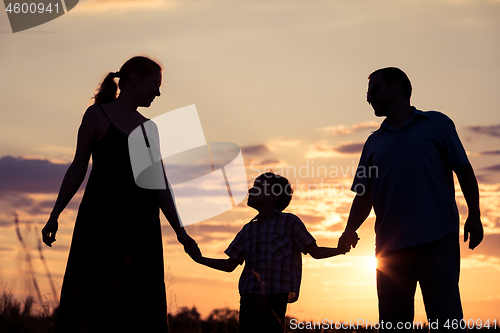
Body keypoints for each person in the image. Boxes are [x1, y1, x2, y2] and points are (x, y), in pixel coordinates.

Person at [41, 56, 200, 333]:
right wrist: (55, 214)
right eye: (155, 83)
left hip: (141, 230)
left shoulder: (149, 128)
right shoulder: (97, 115)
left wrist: (181, 232)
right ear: (135, 78)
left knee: (137, 310)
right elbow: (78, 166)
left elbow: (158, 184)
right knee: (93, 302)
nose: (158, 92)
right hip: (100, 224)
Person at [338, 67, 483, 331]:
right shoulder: (373, 143)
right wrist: (349, 229)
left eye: (374, 90)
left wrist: (475, 215)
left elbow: (463, 169)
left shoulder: (437, 124)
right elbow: (364, 194)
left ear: (397, 86)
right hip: (390, 249)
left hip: (437, 239)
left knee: (447, 321)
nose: (369, 98)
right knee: (393, 325)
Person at [194, 172, 347, 333]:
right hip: (249, 298)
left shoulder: (289, 222)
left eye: (257, 186)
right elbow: (229, 264)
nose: (250, 190)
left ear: (273, 196)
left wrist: (339, 250)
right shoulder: (248, 229)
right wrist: (200, 259)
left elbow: (314, 252)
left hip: (276, 296)